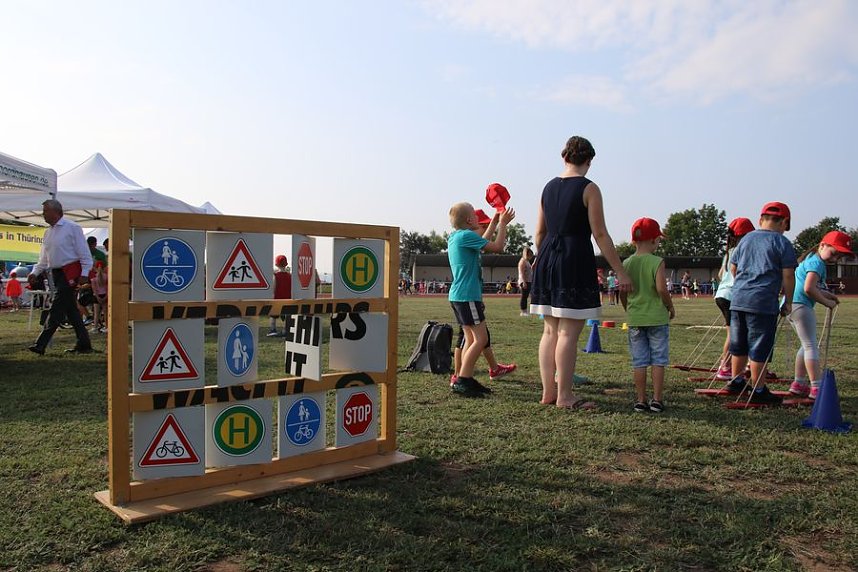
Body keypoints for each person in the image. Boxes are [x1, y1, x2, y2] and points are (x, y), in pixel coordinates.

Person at [530, 135, 631, 409]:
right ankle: (564, 396)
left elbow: (539, 232)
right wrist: (620, 271)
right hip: (573, 258)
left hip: (547, 257)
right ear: (589, 161)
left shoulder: (548, 187)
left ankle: (548, 392)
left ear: (564, 157)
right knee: (568, 333)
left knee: (549, 331)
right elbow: (600, 234)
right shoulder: (589, 188)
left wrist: (545, 256)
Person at [723, 202, 797, 404]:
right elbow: (789, 275)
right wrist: (788, 301)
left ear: (760, 220)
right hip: (762, 302)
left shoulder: (747, 239)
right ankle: (759, 389)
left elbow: (733, 268)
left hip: (738, 299)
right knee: (760, 345)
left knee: (739, 343)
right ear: (784, 222)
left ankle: (736, 380)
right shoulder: (782, 243)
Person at [447, 201, 515, 397]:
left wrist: (494, 221)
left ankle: (463, 377)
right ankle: (464, 379)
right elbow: (498, 247)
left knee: (470, 338)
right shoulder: (466, 236)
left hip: (459, 296)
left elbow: (482, 243)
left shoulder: (456, 237)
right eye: (475, 215)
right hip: (467, 296)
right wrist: (503, 224)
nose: (478, 217)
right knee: (481, 339)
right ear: (469, 220)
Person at [788, 230, 851, 399]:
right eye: (834, 252)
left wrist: (829, 295)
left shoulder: (811, 260)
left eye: (839, 256)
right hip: (801, 305)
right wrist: (826, 302)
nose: (835, 258)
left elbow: (814, 287)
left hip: (792, 305)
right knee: (811, 346)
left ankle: (799, 384)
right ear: (822, 245)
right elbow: (808, 289)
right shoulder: (817, 264)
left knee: (806, 345)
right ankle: (816, 387)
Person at [620, 218, 675, 413]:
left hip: (636, 319)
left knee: (639, 361)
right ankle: (657, 400)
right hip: (657, 318)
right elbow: (661, 289)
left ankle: (641, 400)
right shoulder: (657, 261)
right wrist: (670, 306)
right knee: (658, 360)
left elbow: (622, 292)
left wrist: (628, 309)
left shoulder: (626, 263)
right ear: (654, 240)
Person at [28, 199, 94, 355]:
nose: (43, 214)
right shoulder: (47, 232)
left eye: (45, 211)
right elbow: (43, 259)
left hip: (70, 272)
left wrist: (85, 273)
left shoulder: (72, 228)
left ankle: (40, 344)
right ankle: (84, 343)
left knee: (57, 308)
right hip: (56, 274)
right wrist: (35, 272)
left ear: (55, 211)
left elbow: (84, 253)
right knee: (71, 310)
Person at [713, 218, 756, 380]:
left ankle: (737, 364)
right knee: (735, 334)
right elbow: (735, 272)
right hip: (733, 295)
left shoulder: (729, 251)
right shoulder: (744, 250)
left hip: (722, 294)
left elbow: (720, 274)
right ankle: (725, 367)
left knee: (736, 332)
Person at [268, 255, 292, 336]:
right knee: (287, 316)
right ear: (286, 264)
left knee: (273, 316)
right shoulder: (290, 276)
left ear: (276, 264)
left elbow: (274, 288)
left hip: (277, 299)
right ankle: (285, 330)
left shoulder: (275, 276)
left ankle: (273, 330)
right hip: (287, 299)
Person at [517, 246, 534, 316]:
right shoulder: (523, 261)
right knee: (524, 296)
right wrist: (524, 282)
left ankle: (525, 311)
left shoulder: (527, 261)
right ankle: (523, 311)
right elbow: (522, 273)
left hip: (528, 280)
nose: (531, 257)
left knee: (526, 296)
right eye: (530, 255)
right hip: (524, 281)